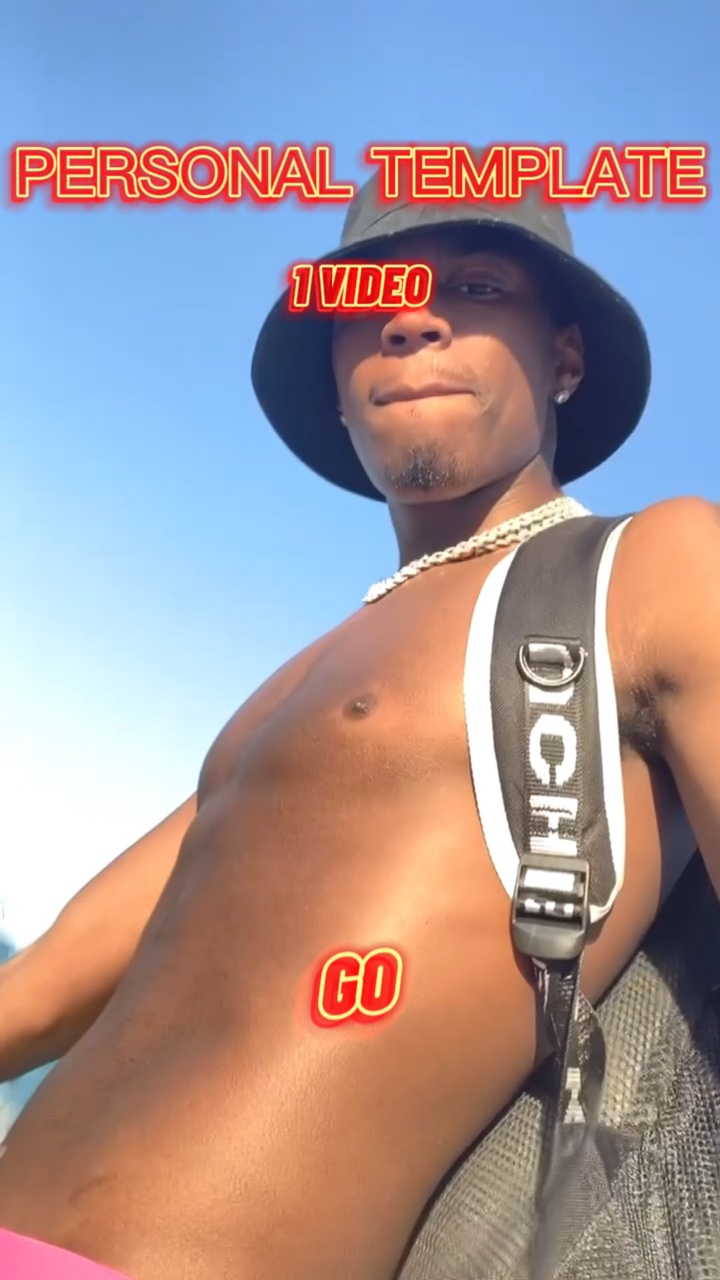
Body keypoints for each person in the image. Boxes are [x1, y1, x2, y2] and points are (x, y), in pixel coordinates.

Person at [1, 165, 719, 1280]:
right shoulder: (288, 692)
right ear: (336, 383)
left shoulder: (651, 569)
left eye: (476, 287)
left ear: (565, 360)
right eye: (365, 301)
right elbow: (45, 984)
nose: (409, 318)